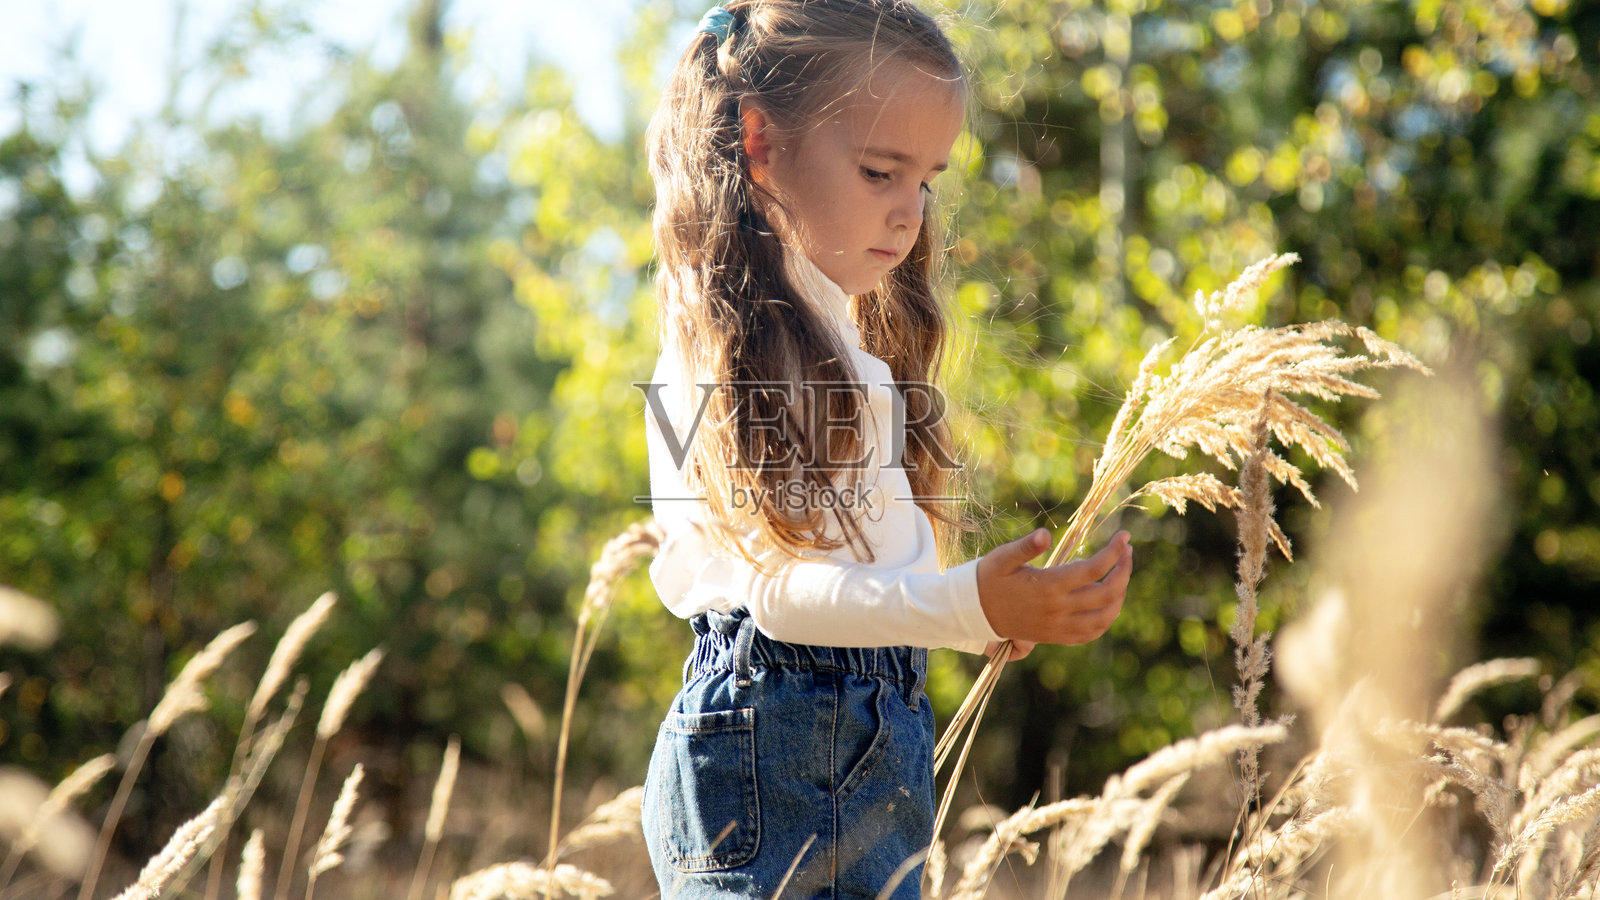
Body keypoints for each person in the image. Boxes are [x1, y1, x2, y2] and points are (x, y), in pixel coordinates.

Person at [637, 1, 1134, 896]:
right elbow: (781, 596)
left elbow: (856, 565)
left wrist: (981, 608)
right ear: (759, 142)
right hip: (777, 749)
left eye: (927, 181)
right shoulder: (739, 351)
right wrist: (958, 607)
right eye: (878, 172)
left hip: (847, 741)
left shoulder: (839, 345)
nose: (908, 216)